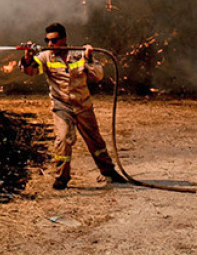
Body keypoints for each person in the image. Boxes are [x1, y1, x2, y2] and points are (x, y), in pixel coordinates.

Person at [19, 22, 128, 190]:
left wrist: (89, 58)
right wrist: (27, 58)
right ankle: (61, 178)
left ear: (64, 39)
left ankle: (108, 172)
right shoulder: (45, 57)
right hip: (62, 106)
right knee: (62, 140)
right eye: (47, 41)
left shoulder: (79, 55)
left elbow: (98, 76)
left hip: (83, 105)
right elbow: (30, 71)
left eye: (54, 41)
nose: (50, 45)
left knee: (96, 141)